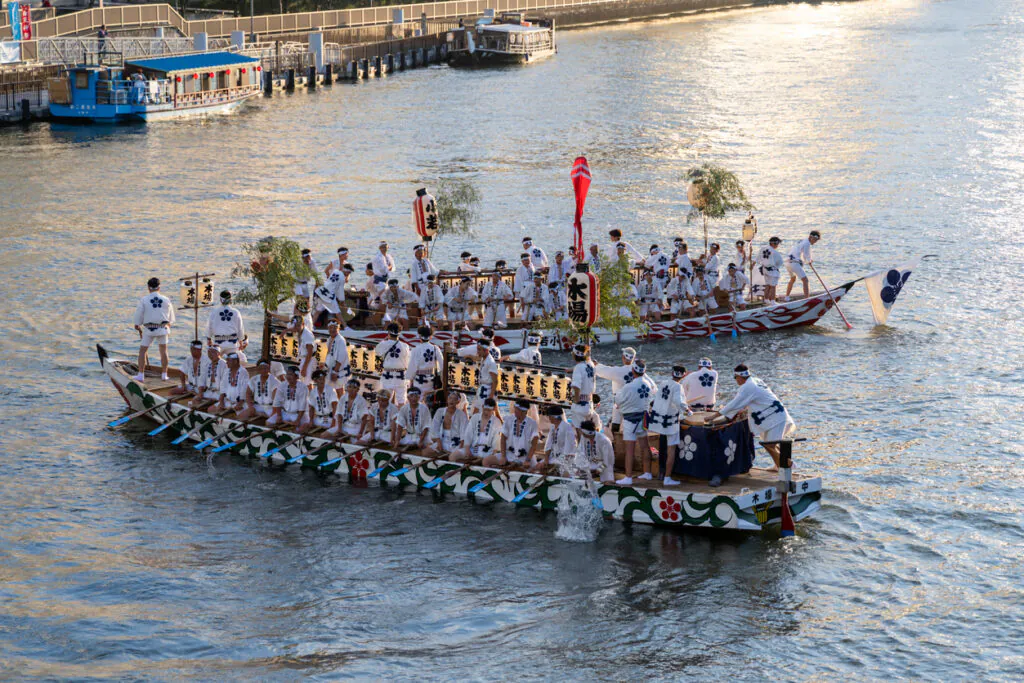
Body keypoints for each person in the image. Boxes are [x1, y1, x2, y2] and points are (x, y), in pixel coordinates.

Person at [709, 364, 796, 474]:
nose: (736, 381)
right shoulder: (756, 380)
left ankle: (788, 465)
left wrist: (716, 415)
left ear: (739, 377)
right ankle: (778, 465)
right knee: (770, 444)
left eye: (735, 378)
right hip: (773, 415)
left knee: (769, 445)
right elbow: (750, 400)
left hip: (775, 417)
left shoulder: (748, 386)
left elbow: (734, 404)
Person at [615, 359, 658, 485]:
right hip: (643, 418)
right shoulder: (649, 385)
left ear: (633, 370)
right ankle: (647, 473)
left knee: (630, 448)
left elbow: (618, 401)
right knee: (645, 446)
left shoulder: (628, 386)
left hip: (630, 419)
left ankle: (628, 477)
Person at [648, 365, 691, 486]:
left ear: (672, 373)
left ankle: (662, 473)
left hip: (660, 420)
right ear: (684, 375)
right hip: (671, 422)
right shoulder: (678, 386)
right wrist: (687, 410)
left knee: (662, 446)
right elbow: (678, 401)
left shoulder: (663, 383)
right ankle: (667, 477)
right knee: (671, 449)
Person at [132, 277, 175, 382]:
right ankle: (164, 374)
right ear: (159, 287)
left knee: (143, 351)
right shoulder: (166, 299)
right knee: (163, 351)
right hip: (162, 328)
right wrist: (168, 324)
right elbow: (171, 318)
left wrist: (137, 324)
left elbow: (139, 314)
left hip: (149, 329)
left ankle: (141, 375)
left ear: (148, 287)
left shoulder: (144, 299)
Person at [595, 347, 636, 436]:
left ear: (623, 357)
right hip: (634, 404)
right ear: (634, 358)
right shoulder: (639, 371)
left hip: (620, 403)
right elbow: (653, 387)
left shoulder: (619, 371)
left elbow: (605, 371)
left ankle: (616, 444)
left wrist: (596, 365)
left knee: (615, 426)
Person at [374, 322, 411, 405]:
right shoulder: (405, 346)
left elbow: (377, 352)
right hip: (401, 375)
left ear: (388, 332)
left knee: (385, 400)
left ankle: (388, 417)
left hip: (388, 375)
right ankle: (400, 418)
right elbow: (408, 362)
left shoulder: (383, 344)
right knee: (401, 401)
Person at [496, 399, 539, 468]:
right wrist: (503, 456)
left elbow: (534, 444)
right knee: (486, 461)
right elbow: (503, 438)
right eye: (515, 409)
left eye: (517, 410)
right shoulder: (509, 419)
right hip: (509, 454)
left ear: (524, 412)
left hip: (525, 457)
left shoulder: (532, 423)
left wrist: (528, 460)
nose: (515, 411)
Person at [458, 338, 499, 411]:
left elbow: (495, 381)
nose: (477, 352)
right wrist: (470, 356)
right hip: (483, 389)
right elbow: (477, 358)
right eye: (477, 349)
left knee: (481, 412)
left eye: (479, 350)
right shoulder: (484, 358)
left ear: (486, 350)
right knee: (478, 411)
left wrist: (491, 397)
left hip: (487, 391)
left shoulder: (490, 362)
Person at [424, 391, 469, 456]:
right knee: (425, 452)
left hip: (456, 442)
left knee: (454, 456)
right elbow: (434, 427)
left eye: (454, 399)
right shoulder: (440, 411)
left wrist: (461, 447)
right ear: (447, 400)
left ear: (458, 402)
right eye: (450, 398)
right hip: (442, 440)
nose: (452, 401)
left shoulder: (461, 415)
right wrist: (439, 442)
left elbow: (464, 433)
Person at [459, 397, 502, 462]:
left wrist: (494, 453)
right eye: (485, 409)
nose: (486, 412)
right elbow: (468, 434)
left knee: (488, 461)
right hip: (472, 448)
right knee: (454, 456)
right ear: (482, 407)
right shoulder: (475, 417)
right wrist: (467, 449)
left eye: (489, 410)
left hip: (488, 451)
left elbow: (496, 441)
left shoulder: (497, 421)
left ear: (493, 409)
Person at [408, 325, 442, 403]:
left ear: (419, 336)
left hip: (419, 379)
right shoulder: (435, 348)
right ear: (430, 336)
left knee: (418, 402)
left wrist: (410, 380)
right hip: (432, 379)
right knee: (429, 402)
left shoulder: (415, 349)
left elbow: (412, 367)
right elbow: (442, 365)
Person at [574, 419, 615, 484]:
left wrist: (599, 470)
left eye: (583, 433)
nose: (582, 434)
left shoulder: (604, 441)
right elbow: (580, 453)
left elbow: (608, 460)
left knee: (607, 478)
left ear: (588, 433)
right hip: (590, 463)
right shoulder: (584, 437)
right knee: (577, 473)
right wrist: (579, 467)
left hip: (603, 464)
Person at [785, 230, 820, 300]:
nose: (815, 242)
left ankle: (787, 297)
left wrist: (808, 260)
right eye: (815, 240)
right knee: (805, 280)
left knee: (792, 279)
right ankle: (807, 299)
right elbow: (806, 255)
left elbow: (803, 254)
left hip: (787, 263)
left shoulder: (803, 241)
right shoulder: (807, 243)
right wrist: (809, 261)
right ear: (810, 237)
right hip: (794, 263)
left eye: (817, 240)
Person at [568, 343, 596, 427]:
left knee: (580, 431)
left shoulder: (578, 368)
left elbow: (576, 386)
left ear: (574, 355)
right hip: (589, 402)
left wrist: (576, 400)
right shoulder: (591, 365)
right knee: (588, 431)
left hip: (580, 404)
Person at [213, 351, 249, 415]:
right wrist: (221, 402)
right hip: (227, 401)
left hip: (239, 403)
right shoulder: (227, 371)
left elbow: (244, 390)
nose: (226, 362)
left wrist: (239, 404)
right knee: (211, 410)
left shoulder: (243, 372)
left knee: (240, 417)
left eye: (229, 361)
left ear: (235, 361)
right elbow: (223, 387)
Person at [542, 406, 577, 470]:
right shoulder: (553, 426)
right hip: (553, 457)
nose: (549, 418)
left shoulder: (567, 427)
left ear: (554, 417)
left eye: (549, 416)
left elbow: (569, 448)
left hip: (564, 459)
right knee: (538, 466)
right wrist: (546, 459)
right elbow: (548, 444)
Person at [305, 369, 338, 433]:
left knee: (325, 436)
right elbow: (311, 408)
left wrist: (333, 423)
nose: (322, 381)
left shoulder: (330, 390)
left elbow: (335, 407)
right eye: (320, 379)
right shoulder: (313, 392)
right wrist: (311, 420)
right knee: (303, 428)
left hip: (330, 420)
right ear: (315, 380)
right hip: (318, 419)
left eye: (323, 379)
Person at [289, 315, 317, 385]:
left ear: (303, 324)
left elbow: (310, 353)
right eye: (295, 326)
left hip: (308, 360)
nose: (296, 328)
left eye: (298, 326)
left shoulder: (307, 335)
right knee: (304, 381)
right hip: (303, 359)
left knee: (307, 383)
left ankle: (309, 395)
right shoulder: (300, 332)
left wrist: (304, 367)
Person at [324, 319, 350, 391]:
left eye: (335, 328)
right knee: (330, 389)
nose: (332, 330)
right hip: (330, 367)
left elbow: (341, 357)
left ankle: (341, 402)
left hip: (338, 369)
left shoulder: (340, 340)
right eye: (330, 328)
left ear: (339, 328)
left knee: (339, 389)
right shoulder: (329, 339)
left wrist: (335, 371)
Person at [760, 236, 785, 304]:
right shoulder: (775, 252)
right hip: (772, 271)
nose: (777, 246)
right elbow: (780, 262)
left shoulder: (763, 248)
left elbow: (759, 258)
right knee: (773, 286)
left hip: (764, 269)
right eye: (777, 244)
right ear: (774, 244)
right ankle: (773, 301)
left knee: (767, 284)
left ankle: (766, 299)